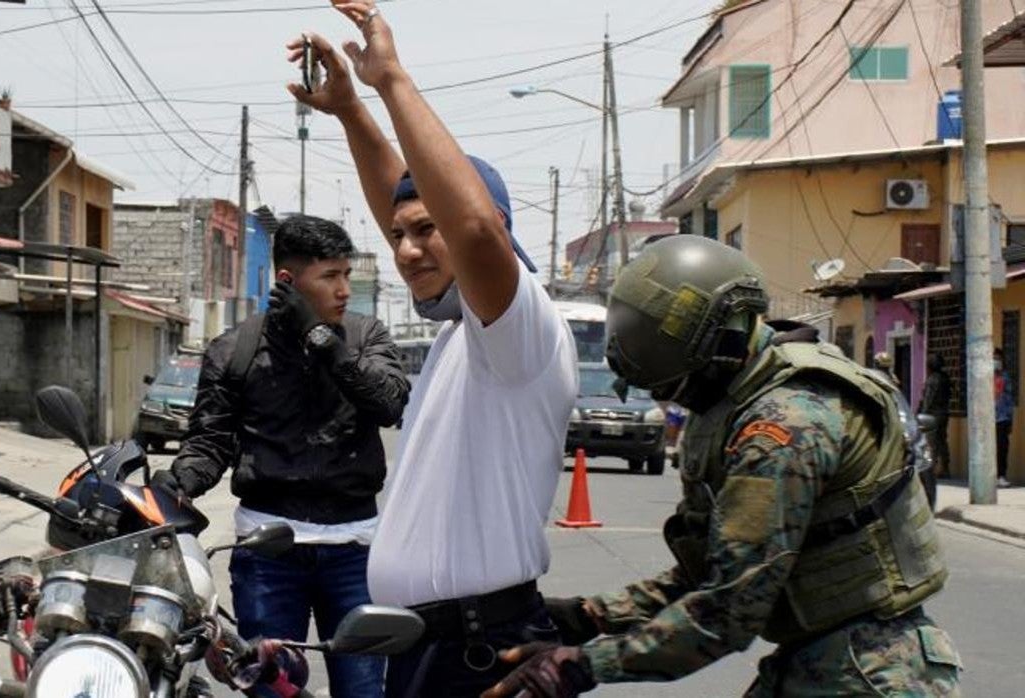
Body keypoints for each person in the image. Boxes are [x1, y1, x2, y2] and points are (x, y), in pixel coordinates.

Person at [485, 236, 959, 698]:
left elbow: (730, 607)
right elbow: (705, 573)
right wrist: (590, 616)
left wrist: (586, 665)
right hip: (821, 658)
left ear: (711, 346)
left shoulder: (782, 428)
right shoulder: (739, 401)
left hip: (871, 674)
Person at [288, 4, 578, 695]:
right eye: (396, 237)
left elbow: (473, 228)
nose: (408, 252)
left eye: (426, 232)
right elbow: (409, 195)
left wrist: (391, 82)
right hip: (432, 644)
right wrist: (352, 113)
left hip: (479, 646)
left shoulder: (519, 324)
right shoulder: (461, 334)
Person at [156, 214, 408, 697]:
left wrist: (320, 338)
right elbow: (211, 442)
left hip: (355, 552)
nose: (343, 290)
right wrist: (177, 483)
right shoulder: (235, 349)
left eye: (346, 276)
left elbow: (389, 403)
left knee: (363, 691)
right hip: (267, 554)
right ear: (288, 282)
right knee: (273, 690)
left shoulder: (365, 336)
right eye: (330, 276)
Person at [920, 354, 952, 478]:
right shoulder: (945, 378)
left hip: (933, 415)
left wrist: (922, 413)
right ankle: (945, 468)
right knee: (942, 441)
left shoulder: (932, 379)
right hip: (944, 413)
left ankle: (931, 469)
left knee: (932, 442)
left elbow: (928, 398)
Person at [995, 348, 1013, 488]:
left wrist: (1010, 418)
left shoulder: (1005, 376)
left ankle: (1001, 476)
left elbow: (1009, 398)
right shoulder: (982, 377)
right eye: (994, 358)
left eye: (998, 359)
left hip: (1002, 418)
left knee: (1002, 448)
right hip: (987, 420)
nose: (996, 362)